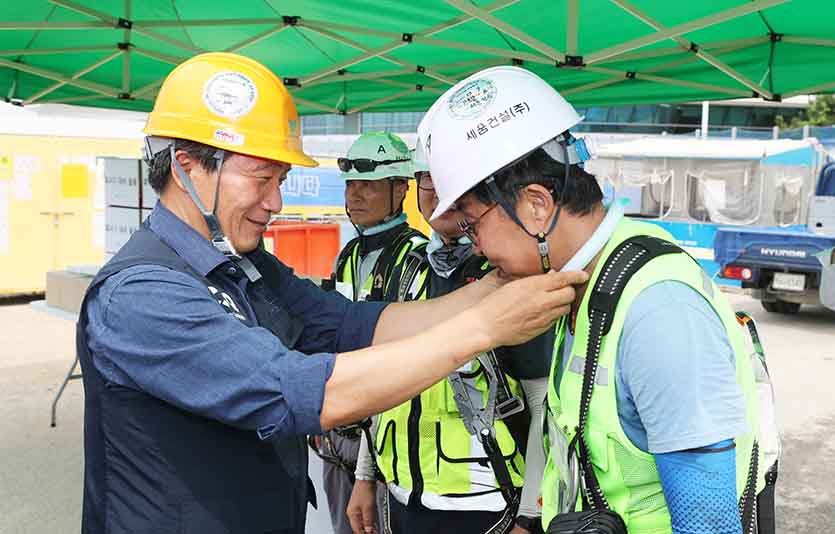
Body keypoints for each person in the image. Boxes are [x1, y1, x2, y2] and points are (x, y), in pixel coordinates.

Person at [76, 53, 587, 534]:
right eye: (262, 179)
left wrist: (497, 285)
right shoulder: (142, 295)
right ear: (188, 167)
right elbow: (300, 390)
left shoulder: (243, 264)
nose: (276, 202)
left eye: (281, 179)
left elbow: (356, 326)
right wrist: (484, 327)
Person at [423, 66, 776, 534]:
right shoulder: (580, 286)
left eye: (473, 226)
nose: (478, 248)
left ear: (536, 205)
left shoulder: (658, 310)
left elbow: (708, 521)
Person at [346, 134, 550, 534]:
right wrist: (365, 476)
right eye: (428, 178)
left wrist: (529, 515)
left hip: (491, 508)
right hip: (404, 500)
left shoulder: (511, 275)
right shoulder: (405, 269)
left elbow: (544, 405)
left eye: (451, 178)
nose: (438, 191)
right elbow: (383, 386)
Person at [319, 131, 427, 534]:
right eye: (351, 185)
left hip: (385, 442)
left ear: (401, 190)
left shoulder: (417, 258)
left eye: (369, 185)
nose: (356, 195)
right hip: (338, 435)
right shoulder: (348, 255)